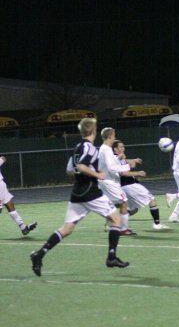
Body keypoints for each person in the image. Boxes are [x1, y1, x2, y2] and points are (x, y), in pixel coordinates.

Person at [30, 117, 129, 277]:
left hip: (78, 192)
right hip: (90, 192)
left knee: (67, 229)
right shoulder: (91, 148)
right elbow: (82, 166)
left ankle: (39, 254)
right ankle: (111, 257)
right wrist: (97, 174)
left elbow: (71, 169)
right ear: (94, 131)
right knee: (116, 219)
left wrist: (80, 179)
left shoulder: (77, 147)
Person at [113, 139, 169, 231]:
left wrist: (132, 160)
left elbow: (123, 162)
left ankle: (114, 223)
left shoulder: (118, 158)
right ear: (115, 149)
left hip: (124, 186)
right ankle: (157, 224)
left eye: (123, 146)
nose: (123, 148)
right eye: (120, 147)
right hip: (130, 185)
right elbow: (123, 173)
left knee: (133, 209)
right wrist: (137, 173)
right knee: (151, 199)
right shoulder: (117, 158)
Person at [98, 127, 145, 236]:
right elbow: (111, 168)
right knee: (124, 203)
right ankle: (123, 229)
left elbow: (109, 163)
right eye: (114, 135)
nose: (115, 137)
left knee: (114, 205)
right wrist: (126, 166)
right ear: (110, 136)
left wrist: (118, 158)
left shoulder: (105, 148)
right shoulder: (106, 149)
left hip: (106, 182)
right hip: (109, 182)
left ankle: (112, 225)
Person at [0, 155, 37, 235]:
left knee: (10, 206)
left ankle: (23, 228)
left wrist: (2, 158)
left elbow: (3, 158)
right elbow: (3, 158)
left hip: (2, 186)